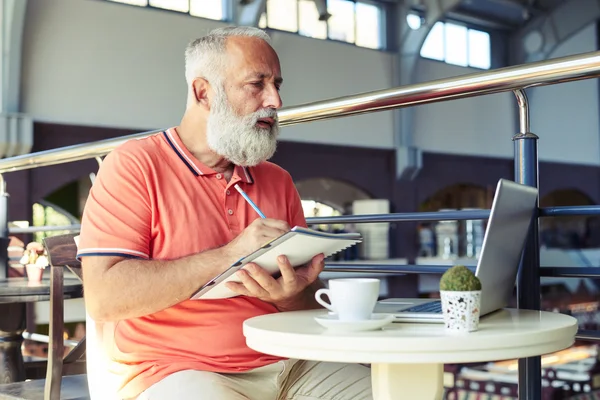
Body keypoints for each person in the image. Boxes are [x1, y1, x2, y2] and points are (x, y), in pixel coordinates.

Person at [77, 26, 372, 400]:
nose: (276, 100)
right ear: (204, 93)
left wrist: (291, 294)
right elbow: (106, 298)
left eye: (277, 84)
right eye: (257, 84)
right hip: (177, 369)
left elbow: (310, 301)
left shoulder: (277, 180)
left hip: (292, 362)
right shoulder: (134, 165)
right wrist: (232, 254)